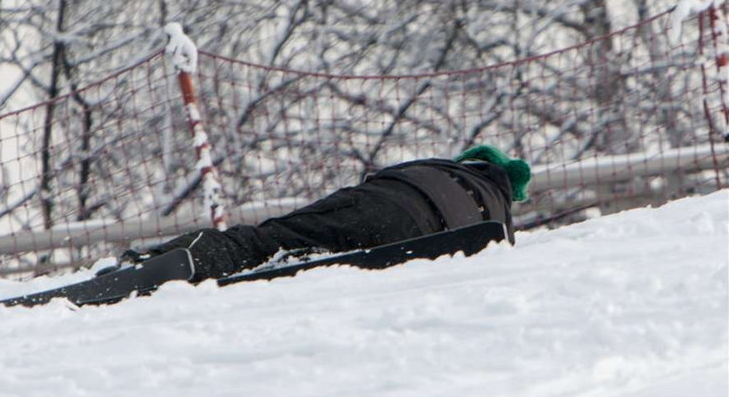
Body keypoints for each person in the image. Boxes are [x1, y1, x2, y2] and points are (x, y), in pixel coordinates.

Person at [134, 145, 531, 282]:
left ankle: (170, 257)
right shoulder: (499, 210)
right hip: (426, 232)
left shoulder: (435, 165)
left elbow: (379, 178)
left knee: (267, 240)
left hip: (375, 202)